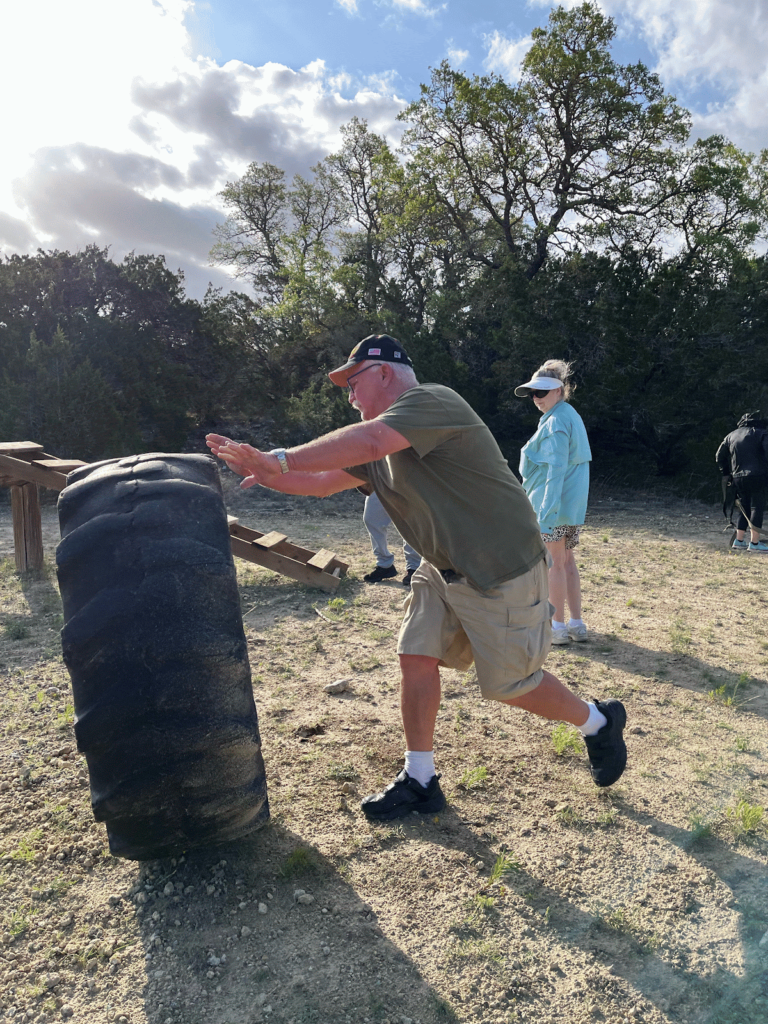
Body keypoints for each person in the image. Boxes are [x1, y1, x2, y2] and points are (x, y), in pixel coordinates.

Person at [206, 334, 627, 821]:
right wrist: (266, 471)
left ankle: (598, 721)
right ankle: (421, 779)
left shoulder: (432, 401)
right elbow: (320, 483)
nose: (349, 395)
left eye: (353, 382)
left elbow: (370, 439)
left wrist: (278, 458)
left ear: (385, 372)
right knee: (415, 656)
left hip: (499, 566)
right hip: (439, 566)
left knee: (511, 685)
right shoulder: (377, 445)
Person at [515, 361, 591, 646]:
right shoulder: (567, 414)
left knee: (554, 565)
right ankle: (576, 624)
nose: (536, 398)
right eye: (533, 393)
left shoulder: (557, 421)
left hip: (554, 507)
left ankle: (557, 627)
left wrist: (547, 514)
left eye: (542, 392)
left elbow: (556, 470)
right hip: (569, 506)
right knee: (566, 561)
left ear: (559, 390)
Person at [716, 411, 768, 552]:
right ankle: (754, 543)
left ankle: (739, 541)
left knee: (744, 507)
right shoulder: (762, 433)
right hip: (758, 475)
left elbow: (719, 456)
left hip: (738, 477)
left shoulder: (731, 435)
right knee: (757, 507)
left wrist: (726, 473)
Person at [362, 491, 422, 586]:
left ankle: (414, 567)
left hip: (410, 483)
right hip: (380, 482)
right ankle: (385, 564)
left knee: (411, 522)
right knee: (371, 518)